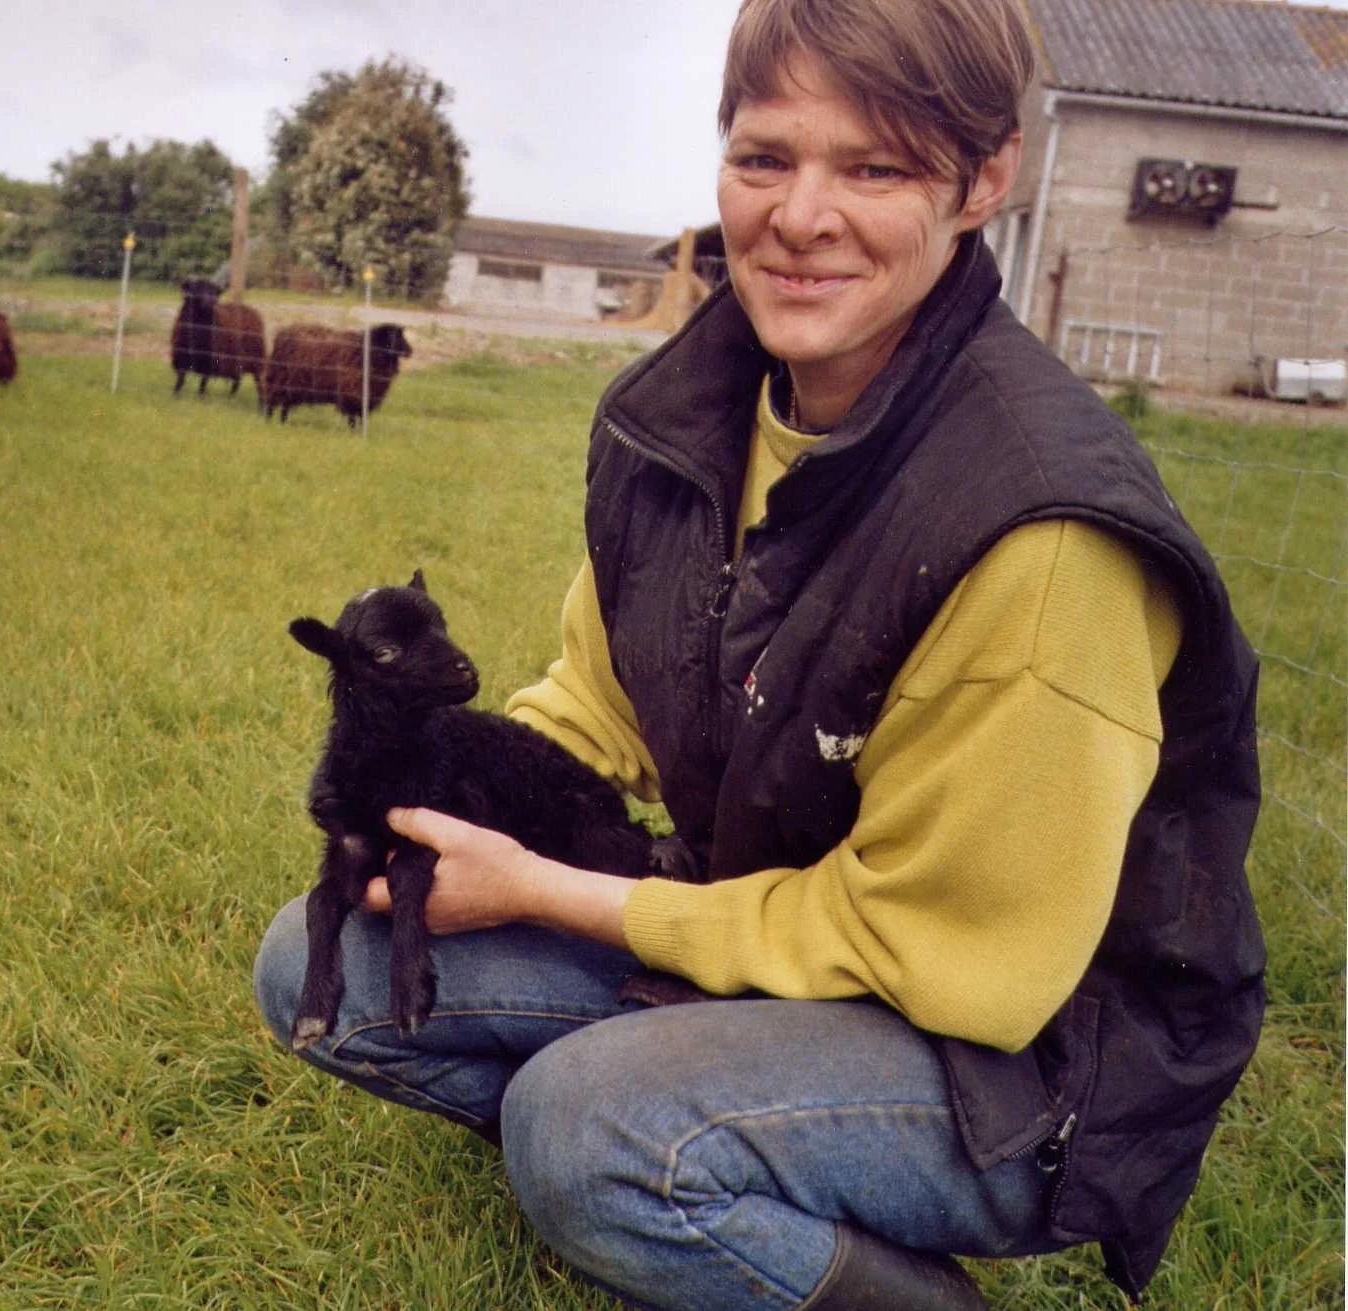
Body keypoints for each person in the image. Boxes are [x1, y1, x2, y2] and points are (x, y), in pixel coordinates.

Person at [254, 0, 1266, 1305]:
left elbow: (942, 954)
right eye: (765, 157)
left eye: (876, 167)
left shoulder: (1042, 536)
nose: (800, 216)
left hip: (1015, 1055)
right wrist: (437, 806)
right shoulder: (688, 422)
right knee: (313, 960)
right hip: (772, 924)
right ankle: (679, 1135)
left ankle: (732, 1196)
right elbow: (597, 703)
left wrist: (553, 894)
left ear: (985, 179)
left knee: (584, 1125)